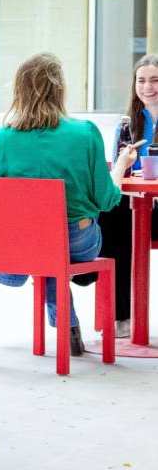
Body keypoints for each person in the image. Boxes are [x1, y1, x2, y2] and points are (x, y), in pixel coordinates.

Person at [0, 53, 136, 355]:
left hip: (22, 242)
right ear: (59, 89)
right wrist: (120, 165)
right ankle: (68, 327)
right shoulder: (84, 133)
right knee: (53, 251)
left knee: (41, 248)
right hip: (79, 239)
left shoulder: (1, 138)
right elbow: (107, 200)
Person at [98, 54, 158, 337]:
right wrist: (124, 161)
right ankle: (122, 317)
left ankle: (82, 271)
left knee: (117, 221)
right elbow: (116, 180)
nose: (148, 87)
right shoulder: (128, 125)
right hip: (136, 207)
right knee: (113, 216)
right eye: (142, 80)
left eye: (155, 80)